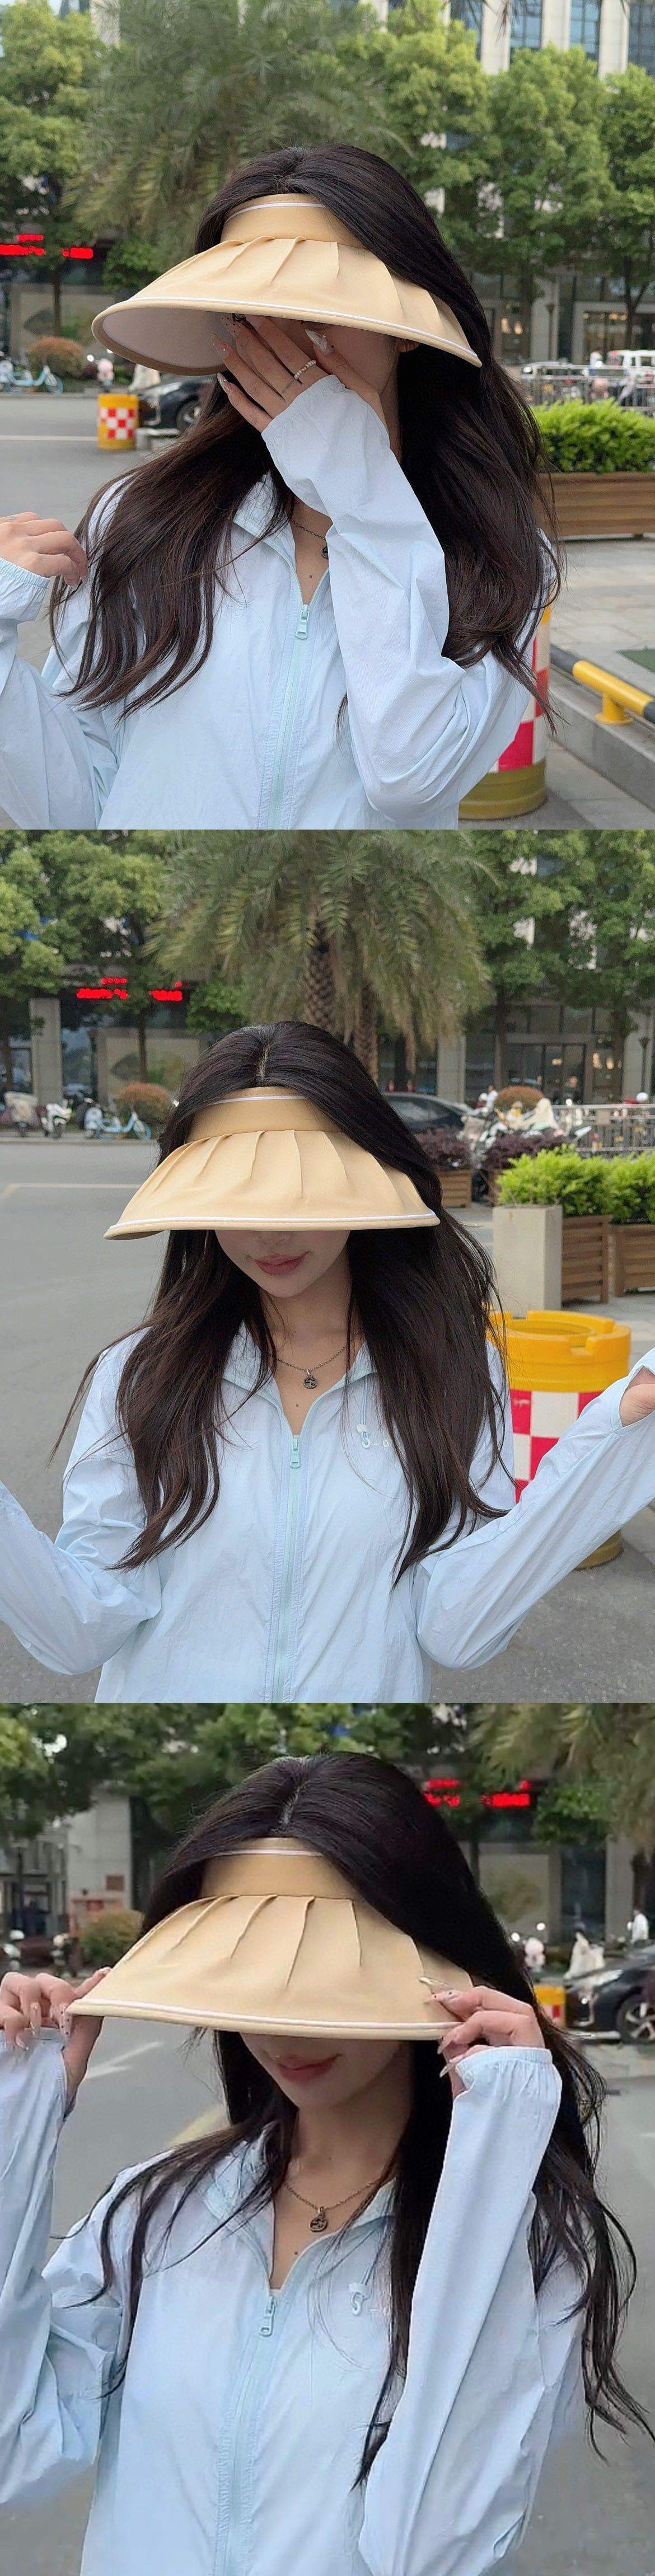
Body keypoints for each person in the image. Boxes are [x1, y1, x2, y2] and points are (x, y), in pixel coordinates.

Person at [0, 1749, 650, 2576]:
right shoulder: (153, 2214)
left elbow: (429, 2546)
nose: (284, 2027)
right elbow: (16, 2451)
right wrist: (16, 2119)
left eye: (330, 1978)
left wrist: (493, 2161)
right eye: (250, 1976)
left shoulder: (526, 2243)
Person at [1, 1020, 654, 1704]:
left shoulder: (452, 1368)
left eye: (305, 1191)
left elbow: (458, 1627)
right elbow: (78, 1632)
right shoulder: (140, 1374)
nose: (271, 1231)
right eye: (238, 1195)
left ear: (368, 1176)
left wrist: (622, 1433)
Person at [0, 143, 557, 835]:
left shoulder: (498, 555)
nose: (288, 342)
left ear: (406, 327)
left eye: (323, 310)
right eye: (254, 311)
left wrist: (360, 489)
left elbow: (411, 780)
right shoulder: (142, 519)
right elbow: (75, 804)